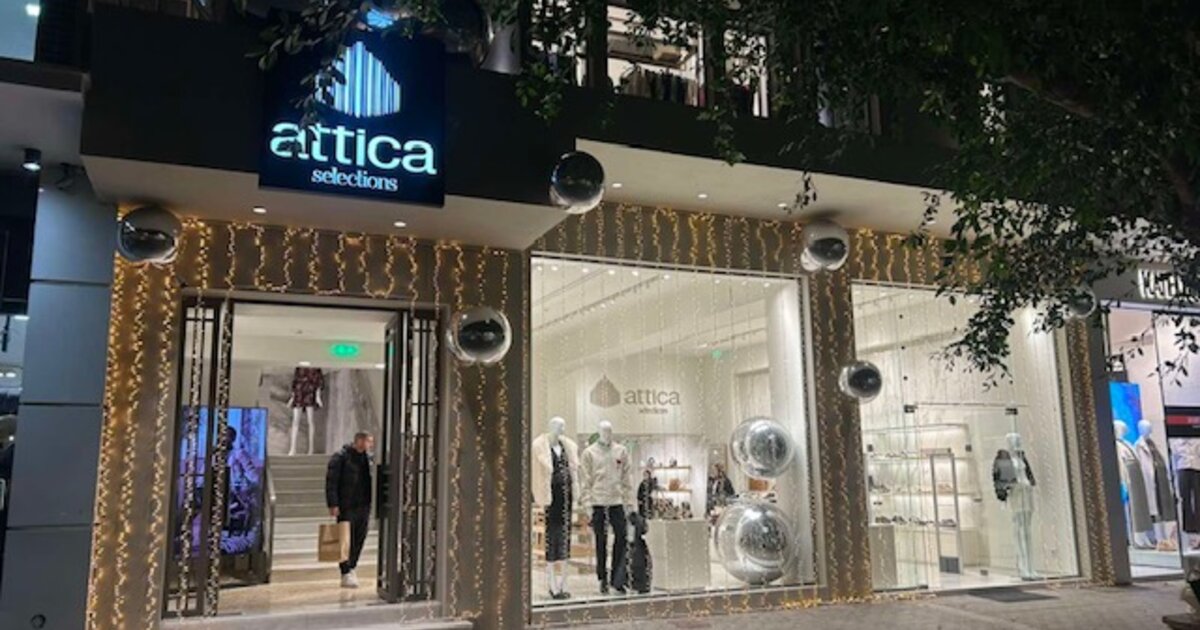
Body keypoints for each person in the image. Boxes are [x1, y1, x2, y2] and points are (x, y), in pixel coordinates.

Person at [325, 431, 374, 588]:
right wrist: (333, 504)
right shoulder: (341, 457)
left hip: (363, 504)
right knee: (345, 538)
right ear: (359, 441)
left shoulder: (368, 459)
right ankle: (345, 570)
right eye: (368, 441)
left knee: (359, 537)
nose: (370, 445)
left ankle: (352, 566)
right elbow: (332, 482)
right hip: (347, 505)